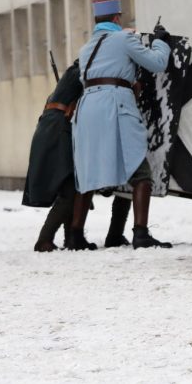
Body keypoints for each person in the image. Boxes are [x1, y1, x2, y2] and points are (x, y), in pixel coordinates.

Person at [73, 0, 172, 249]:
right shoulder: (123, 40)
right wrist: (161, 40)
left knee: (88, 170)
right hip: (114, 104)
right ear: (117, 18)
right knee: (140, 172)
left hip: (87, 108)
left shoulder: (86, 48)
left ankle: (75, 235)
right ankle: (141, 234)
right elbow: (157, 62)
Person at [22, 59, 132, 251]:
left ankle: (70, 239)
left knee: (72, 185)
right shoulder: (86, 71)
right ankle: (44, 240)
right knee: (71, 187)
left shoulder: (78, 73)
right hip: (60, 130)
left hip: (57, 128)